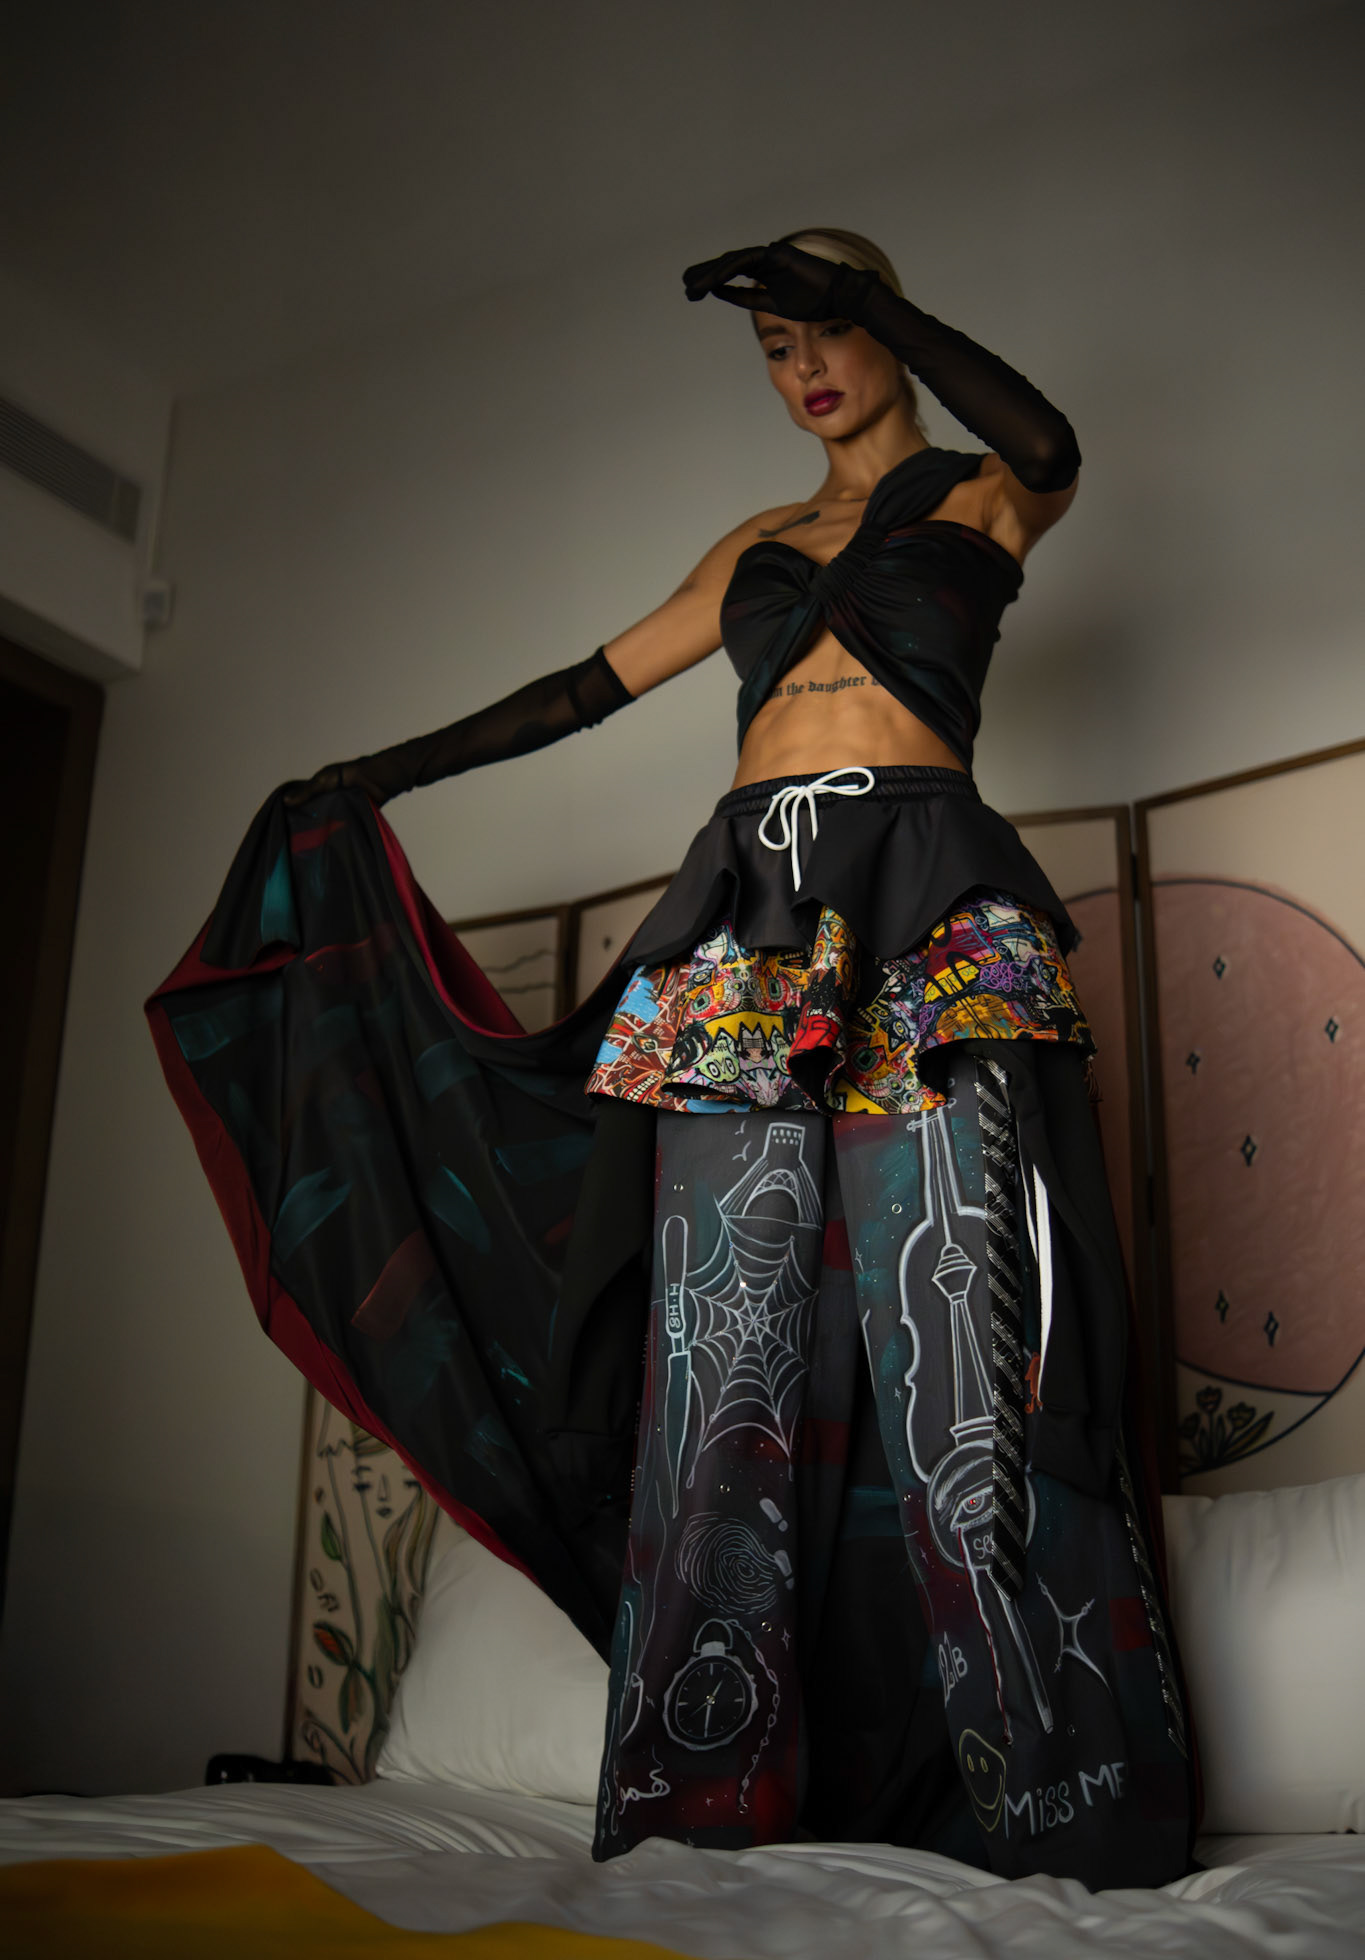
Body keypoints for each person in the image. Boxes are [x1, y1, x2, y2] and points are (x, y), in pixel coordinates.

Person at [148, 232, 1195, 1887]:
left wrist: (869, 297)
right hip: (743, 921)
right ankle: (696, 1809)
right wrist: (375, 774)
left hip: (929, 901)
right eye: (774, 347)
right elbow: (583, 688)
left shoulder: (987, 493)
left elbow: (1053, 441)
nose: (804, 369)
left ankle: (1053, 1805)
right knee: (718, 1367)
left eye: (823, 332)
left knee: (962, 1352)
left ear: (884, 327)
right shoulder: (754, 546)